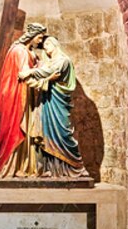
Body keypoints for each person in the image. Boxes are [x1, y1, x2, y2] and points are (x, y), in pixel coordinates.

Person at [0, 22, 46, 177]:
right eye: (39, 37)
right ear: (31, 36)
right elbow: (24, 73)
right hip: (17, 96)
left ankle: (21, 167)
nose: (40, 41)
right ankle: (5, 168)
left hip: (25, 94)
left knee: (24, 129)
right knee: (14, 130)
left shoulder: (26, 51)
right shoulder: (19, 51)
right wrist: (43, 69)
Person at [18, 36, 88, 178]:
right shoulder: (48, 62)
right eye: (44, 45)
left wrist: (30, 72)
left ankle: (76, 166)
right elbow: (46, 74)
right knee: (45, 134)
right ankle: (48, 168)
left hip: (58, 103)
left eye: (48, 44)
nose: (45, 47)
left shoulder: (64, 61)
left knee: (63, 134)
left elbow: (48, 72)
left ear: (55, 44)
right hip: (46, 103)